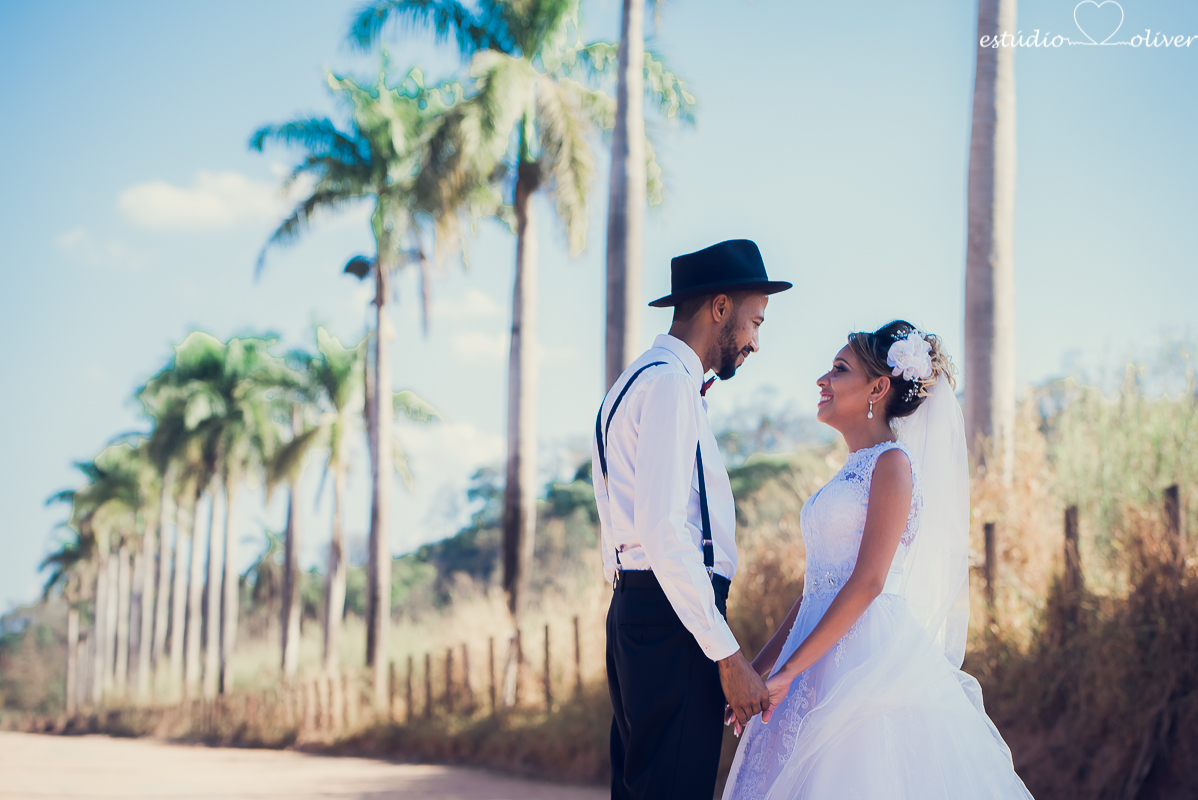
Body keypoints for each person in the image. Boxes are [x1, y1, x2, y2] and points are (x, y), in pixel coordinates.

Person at [721, 321, 1034, 799]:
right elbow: (814, 593)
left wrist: (788, 671)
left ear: (878, 387)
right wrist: (758, 669)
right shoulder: (848, 472)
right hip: (814, 645)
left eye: (839, 370)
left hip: (865, 656)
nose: (822, 381)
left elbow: (868, 582)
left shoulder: (893, 464)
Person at [593, 239, 793, 800]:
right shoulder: (668, 386)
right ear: (720, 308)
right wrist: (726, 654)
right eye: (755, 320)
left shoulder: (634, 383)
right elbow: (663, 530)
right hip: (671, 619)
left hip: (642, 610)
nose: (756, 341)